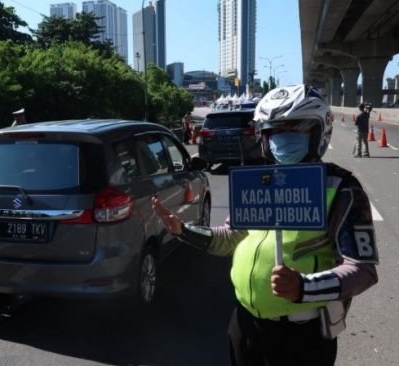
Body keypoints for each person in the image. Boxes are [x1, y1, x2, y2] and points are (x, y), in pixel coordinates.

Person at [152, 84, 379, 366]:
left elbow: (363, 270)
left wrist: (304, 287)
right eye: (274, 133)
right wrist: (183, 231)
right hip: (245, 323)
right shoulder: (257, 182)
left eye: (295, 131)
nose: (282, 141)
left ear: (319, 134)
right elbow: (230, 237)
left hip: (301, 336)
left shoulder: (341, 188)